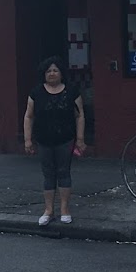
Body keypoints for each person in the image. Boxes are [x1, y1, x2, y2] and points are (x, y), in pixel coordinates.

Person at [23, 56, 86, 226]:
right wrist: (27, 140)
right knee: (48, 174)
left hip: (65, 139)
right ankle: (48, 210)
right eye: (49, 71)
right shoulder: (36, 92)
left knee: (64, 172)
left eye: (55, 70)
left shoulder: (71, 91)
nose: (52, 73)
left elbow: (79, 116)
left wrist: (80, 139)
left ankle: (65, 209)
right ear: (44, 74)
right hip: (43, 140)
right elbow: (29, 116)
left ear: (61, 73)